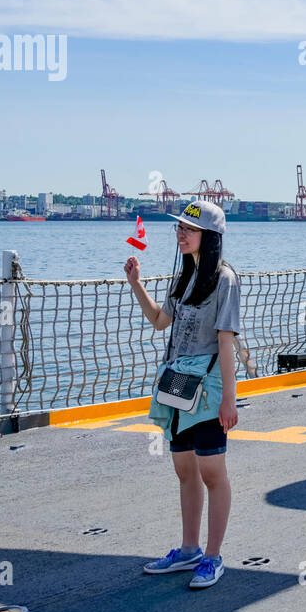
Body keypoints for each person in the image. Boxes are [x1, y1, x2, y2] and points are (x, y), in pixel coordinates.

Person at [125, 199, 240, 590]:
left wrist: (229, 396)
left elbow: (225, 340)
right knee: (184, 469)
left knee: (212, 470)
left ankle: (212, 556)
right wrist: (136, 284)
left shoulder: (224, 279)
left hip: (207, 387)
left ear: (209, 238)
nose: (181, 234)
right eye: (179, 228)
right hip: (176, 382)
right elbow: (160, 321)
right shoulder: (183, 279)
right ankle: (189, 549)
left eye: (189, 230)